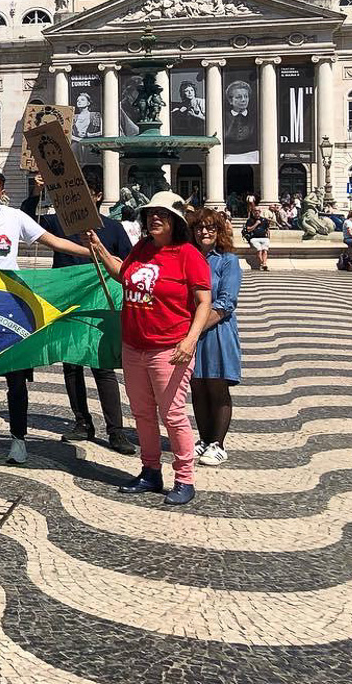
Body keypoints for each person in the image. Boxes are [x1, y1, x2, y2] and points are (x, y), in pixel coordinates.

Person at [0, 168, 89, 465]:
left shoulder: (15, 218)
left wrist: (92, 253)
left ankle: (18, 439)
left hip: (10, 306)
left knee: (16, 378)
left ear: (2, 192)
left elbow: (53, 241)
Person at [87, 191, 212, 506]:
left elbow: (203, 302)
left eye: (162, 214)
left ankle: (184, 478)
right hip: (134, 346)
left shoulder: (187, 254)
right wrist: (99, 248)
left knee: (172, 414)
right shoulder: (142, 248)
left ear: (175, 221)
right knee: (142, 413)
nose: (154, 218)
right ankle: (150, 470)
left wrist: (190, 340)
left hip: (169, 348)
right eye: (150, 213)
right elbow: (123, 276)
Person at [37, 178, 136, 455]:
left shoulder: (113, 228)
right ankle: (82, 422)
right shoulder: (57, 224)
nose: (78, 199)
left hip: (100, 305)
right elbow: (30, 220)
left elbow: (128, 265)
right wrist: (38, 191)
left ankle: (116, 431)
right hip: (68, 304)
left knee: (102, 367)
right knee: (71, 365)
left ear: (98, 196)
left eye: (85, 194)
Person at [189, 208, 241, 467]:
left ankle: (218, 444)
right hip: (191, 330)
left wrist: (195, 328)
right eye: (199, 227)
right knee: (197, 385)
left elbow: (226, 301)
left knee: (216, 385)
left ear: (219, 231)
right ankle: (204, 438)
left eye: (210, 227)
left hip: (217, 329)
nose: (204, 232)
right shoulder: (188, 256)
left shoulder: (227, 260)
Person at [241, 199, 271, 271]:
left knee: (265, 250)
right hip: (254, 238)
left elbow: (267, 229)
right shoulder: (250, 220)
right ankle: (262, 264)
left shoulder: (264, 220)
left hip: (264, 238)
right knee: (259, 250)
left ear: (260, 212)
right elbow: (248, 229)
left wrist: (268, 237)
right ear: (253, 212)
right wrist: (256, 224)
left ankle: (264, 264)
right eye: (255, 211)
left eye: (258, 211)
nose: (257, 212)